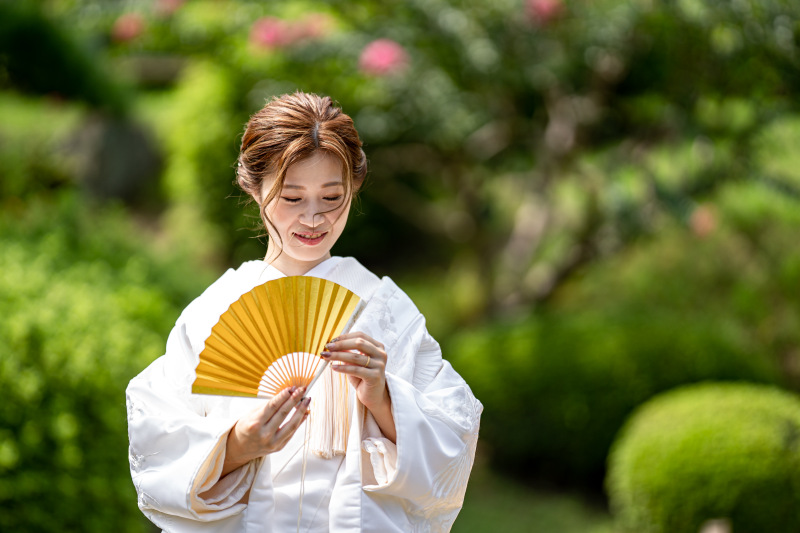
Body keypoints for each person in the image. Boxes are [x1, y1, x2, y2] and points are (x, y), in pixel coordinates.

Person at [126, 92, 483, 533]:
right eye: (292, 198)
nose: (314, 218)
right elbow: (156, 432)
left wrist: (384, 397)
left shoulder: (383, 309)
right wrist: (235, 445)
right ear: (253, 188)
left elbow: (454, 433)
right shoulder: (215, 311)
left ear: (354, 187)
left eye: (331, 196)